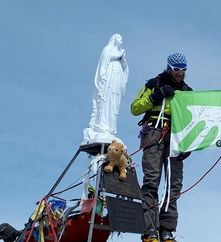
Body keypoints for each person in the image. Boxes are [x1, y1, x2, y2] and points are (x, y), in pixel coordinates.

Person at [131, 53, 192, 242]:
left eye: (183, 70)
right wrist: (156, 96)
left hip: (176, 135)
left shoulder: (188, 91)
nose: (180, 74)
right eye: (176, 70)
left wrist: (188, 144)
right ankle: (149, 229)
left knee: (174, 183)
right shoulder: (154, 84)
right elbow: (135, 108)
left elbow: (194, 120)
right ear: (168, 68)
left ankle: (167, 230)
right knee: (152, 179)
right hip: (154, 131)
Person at [82, 33, 129, 145]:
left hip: (117, 80)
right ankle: (102, 126)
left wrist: (123, 60)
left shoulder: (121, 53)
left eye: (121, 37)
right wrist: (118, 56)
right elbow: (104, 61)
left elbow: (125, 69)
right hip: (109, 79)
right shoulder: (108, 49)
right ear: (113, 39)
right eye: (118, 37)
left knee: (114, 103)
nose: (120, 39)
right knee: (106, 100)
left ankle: (110, 128)